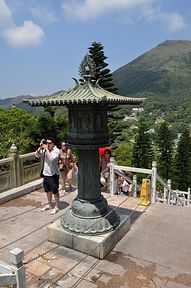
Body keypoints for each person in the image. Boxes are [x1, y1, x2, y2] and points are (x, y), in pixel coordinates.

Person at [35, 137, 60, 214]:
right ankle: (49, 204)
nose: (48, 144)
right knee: (47, 190)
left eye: (49, 143)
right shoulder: (46, 150)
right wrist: (40, 147)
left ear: (53, 143)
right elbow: (36, 155)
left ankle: (57, 207)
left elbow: (52, 159)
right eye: (47, 143)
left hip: (53, 174)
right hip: (46, 173)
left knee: (55, 191)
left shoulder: (56, 151)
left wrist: (46, 149)